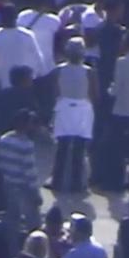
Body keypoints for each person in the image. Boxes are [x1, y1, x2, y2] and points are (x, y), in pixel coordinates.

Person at [49, 37, 97, 193]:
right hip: (83, 107)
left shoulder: (59, 69)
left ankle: (57, 181)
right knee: (79, 147)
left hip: (64, 107)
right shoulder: (89, 71)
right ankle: (77, 184)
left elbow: (54, 90)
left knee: (62, 146)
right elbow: (95, 94)